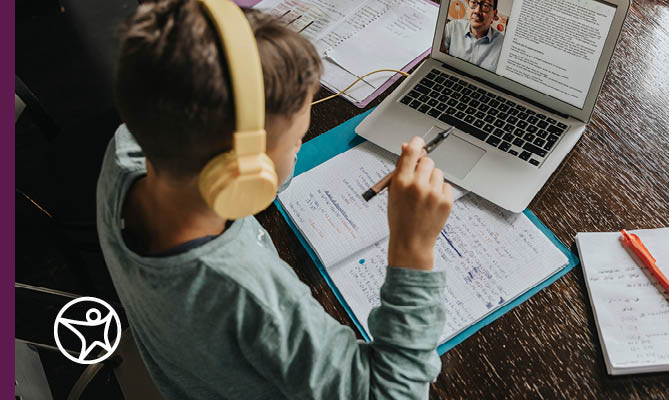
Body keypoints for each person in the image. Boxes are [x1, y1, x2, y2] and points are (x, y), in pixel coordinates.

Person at [97, 0, 454, 399]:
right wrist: (413, 247)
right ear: (245, 171)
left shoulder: (127, 150)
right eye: (298, 140)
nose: (299, 149)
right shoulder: (248, 296)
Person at [443, 0, 505, 72]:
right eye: (473, 3)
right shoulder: (453, 27)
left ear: (494, 13)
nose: (477, 11)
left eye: (485, 5)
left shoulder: (504, 46)